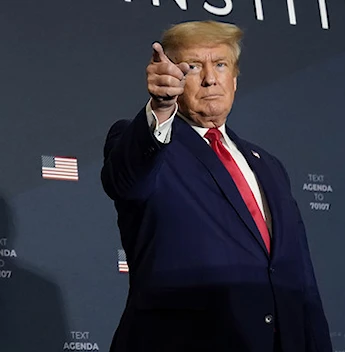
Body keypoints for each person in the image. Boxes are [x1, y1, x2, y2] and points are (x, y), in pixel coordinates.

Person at [101, 20, 332, 352]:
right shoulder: (145, 142)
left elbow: (302, 280)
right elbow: (127, 181)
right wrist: (161, 108)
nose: (210, 78)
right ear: (174, 78)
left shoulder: (268, 165)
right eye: (193, 67)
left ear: (235, 79)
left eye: (220, 65)